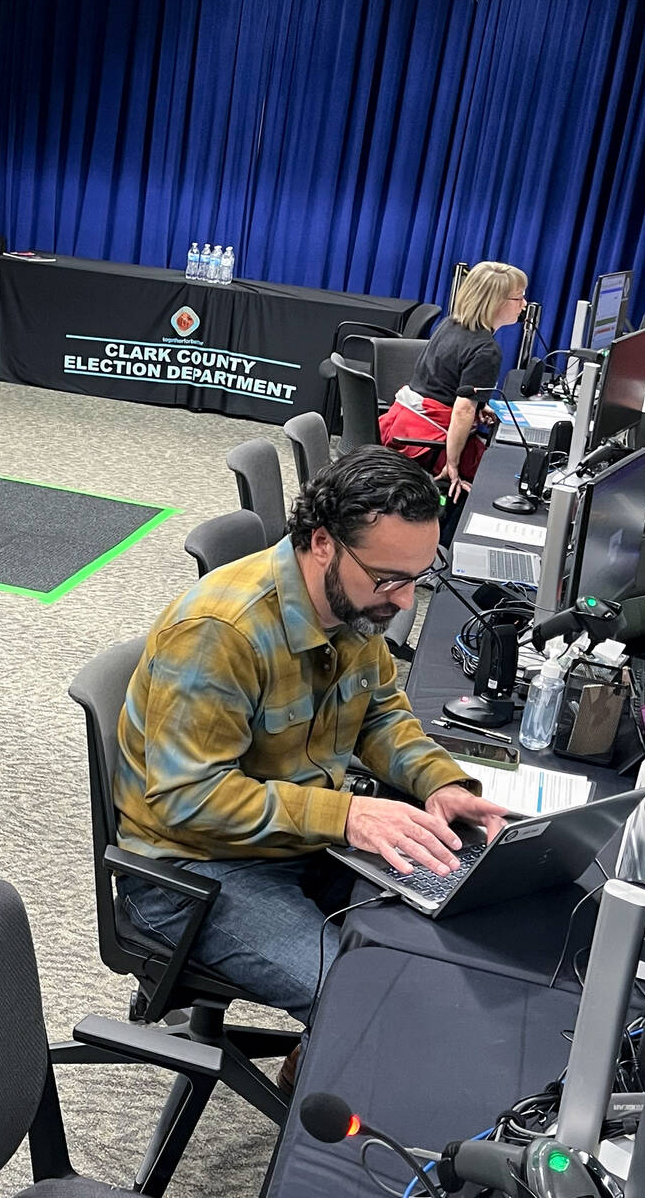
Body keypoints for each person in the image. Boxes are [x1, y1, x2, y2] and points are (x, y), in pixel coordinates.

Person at [113, 446, 507, 1040]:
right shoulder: (221, 633)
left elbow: (378, 713)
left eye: (417, 580)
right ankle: (331, 1093)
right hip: (191, 874)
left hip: (300, 843)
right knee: (366, 999)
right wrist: (347, 816)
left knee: (462, 932)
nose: (404, 602)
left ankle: (318, 1060)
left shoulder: (352, 604)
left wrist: (440, 780)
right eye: (389, 579)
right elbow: (187, 798)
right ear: (322, 542)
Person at [380, 261, 528, 503]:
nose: (524, 305)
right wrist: (453, 466)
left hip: (401, 424)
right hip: (428, 443)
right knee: (502, 480)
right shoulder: (486, 350)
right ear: (496, 302)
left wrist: (480, 406)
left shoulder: (450, 324)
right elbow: (462, 411)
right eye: (519, 298)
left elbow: (444, 385)